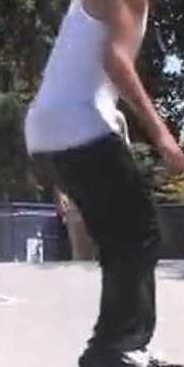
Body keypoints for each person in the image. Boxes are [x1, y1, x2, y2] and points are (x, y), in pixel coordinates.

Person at [24, 0, 184, 367]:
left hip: (56, 129)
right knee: (141, 230)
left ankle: (113, 348)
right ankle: (118, 348)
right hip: (77, 125)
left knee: (122, 237)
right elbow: (117, 63)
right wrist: (162, 133)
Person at [55, 109, 131, 261]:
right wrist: (59, 194)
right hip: (79, 198)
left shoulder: (116, 117)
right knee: (81, 259)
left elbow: (127, 157)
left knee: (115, 258)